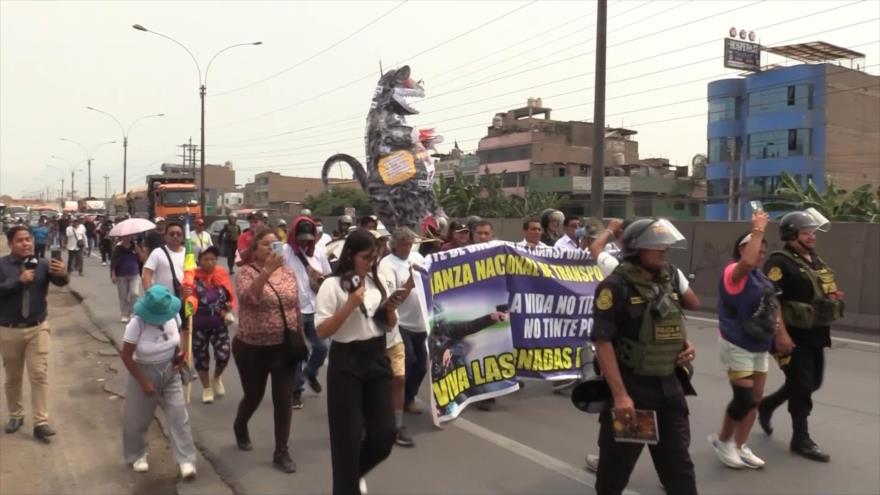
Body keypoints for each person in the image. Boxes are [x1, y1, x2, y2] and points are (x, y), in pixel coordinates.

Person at [583, 217, 700, 473]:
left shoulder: (668, 279)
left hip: (670, 390)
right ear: (636, 249)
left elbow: (671, 318)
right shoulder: (616, 286)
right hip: (634, 393)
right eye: (655, 245)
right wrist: (621, 395)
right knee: (615, 470)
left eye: (665, 244)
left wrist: (685, 344)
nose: (663, 249)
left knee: (680, 470)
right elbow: (602, 341)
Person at [708, 211, 793, 470]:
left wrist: (781, 333)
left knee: (755, 398)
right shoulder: (734, 271)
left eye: (764, 249)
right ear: (742, 249)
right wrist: (758, 230)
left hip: (759, 343)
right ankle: (723, 441)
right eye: (756, 247)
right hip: (736, 341)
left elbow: (773, 302)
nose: (761, 251)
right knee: (743, 398)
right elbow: (745, 263)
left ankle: (739, 444)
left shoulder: (762, 278)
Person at [316, 229, 397, 494]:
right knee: (346, 441)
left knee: (385, 435)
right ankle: (347, 483)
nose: (370, 262)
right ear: (350, 255)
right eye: (365, 257)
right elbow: (323, 331)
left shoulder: (377, 282)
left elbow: (386, 325)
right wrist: (350, 305)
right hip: (346, 363)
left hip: (376, 357)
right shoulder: (332, 285)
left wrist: (391, 309)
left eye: (374, 256)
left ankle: (354, 474)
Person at [758, 209, 842, 463]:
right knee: (802, 386)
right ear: (792, 235)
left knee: (813, 383)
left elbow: (822, 288)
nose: (812, 236)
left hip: (816, 333)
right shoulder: (779, 262)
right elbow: (772, 300)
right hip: (792, 335)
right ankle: (801, 438)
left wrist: (834, 297)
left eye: (813, 232)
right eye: (807, 232)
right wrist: (781, 334)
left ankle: (767, 405)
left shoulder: (815, 261)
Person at [233, 228, 302, 473]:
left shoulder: (289, 273)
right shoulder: (245, 273)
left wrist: (300, 340)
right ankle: (240, 425)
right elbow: (250, 298)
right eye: (265, 244)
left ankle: (281, 451)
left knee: (283, 400)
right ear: (254, 250)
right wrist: (267, 272)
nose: (270, 248)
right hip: (252, 348)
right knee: (254, 396)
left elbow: (295, 307)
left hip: (283, 348)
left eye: (275, 244)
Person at [120, 284, 197, 478]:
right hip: (144, 372)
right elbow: (127, 355)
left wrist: (179, 353)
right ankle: (137, 455)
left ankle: (186, 460)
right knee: (138, 419)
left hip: (171, 370)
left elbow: (176, 338)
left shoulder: (172, 314)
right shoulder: (136, 324)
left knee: (179, 416)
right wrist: (143, 382)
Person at [0, 226, 68, 442]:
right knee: (13, 377)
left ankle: (41, 422)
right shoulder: (2, 265)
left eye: (28, 239)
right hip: (9, 330)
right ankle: (16, 415)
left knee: (38, 374)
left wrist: (62, 273)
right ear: (10, 244)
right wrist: (17, 281)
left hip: (37, 327)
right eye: (19, 240)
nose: (25, 244)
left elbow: (60, 282)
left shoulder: (43, 264)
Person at [379, 229, 429, 422]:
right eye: (404, 244)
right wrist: (410, 280)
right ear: (395, 245)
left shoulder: (417, 257)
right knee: (406, 361)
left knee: (421, 365)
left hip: (420, 323)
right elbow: (394, 300)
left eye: (410, 243)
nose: (408, 248)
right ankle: (394, 399)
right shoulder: (387, 265)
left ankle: (409, 397)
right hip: (401, 324)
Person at [282, 217, 332, 409]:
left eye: (308, 238)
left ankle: (309, 374)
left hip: (315, 308)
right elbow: (274, 273)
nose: (304, 241)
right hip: (293, 309)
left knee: (321, 347)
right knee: (299, 352)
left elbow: (327, 275)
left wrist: (318, 279)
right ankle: (296, 390)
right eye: (301, 237)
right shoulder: (285, 252)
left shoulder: (318, 251)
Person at [191, 246, 236, 404]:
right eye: (206, 259)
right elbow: (188, 297)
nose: (210, 262)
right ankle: (206, 388)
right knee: (201, 358)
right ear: (199, 261)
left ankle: (216, 377)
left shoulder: (221, 274)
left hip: (218, 323)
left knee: (224, 355)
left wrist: (229, 306)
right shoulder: (192, 277)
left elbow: (229, 296)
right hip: (198, 324)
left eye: (213, 259)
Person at [110, 235, 148, 323]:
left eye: (129, 236)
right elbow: (113, 262)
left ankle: (133, 312)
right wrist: (113, 274)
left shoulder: (135, 246)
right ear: (121, 237)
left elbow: (142, 259)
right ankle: (124, 313)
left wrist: (138, 250)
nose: (127, 238)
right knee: (123, 295)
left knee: (134, 293)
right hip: (121, 275)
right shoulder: (118, 248)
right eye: (125, 236)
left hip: (134, 274)